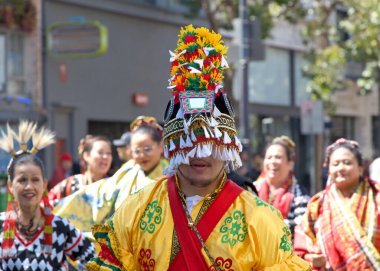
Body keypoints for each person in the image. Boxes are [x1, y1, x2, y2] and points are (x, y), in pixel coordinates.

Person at [87, 25, 310, 271]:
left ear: (226, 147)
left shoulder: (260, 219)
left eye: (211, 144)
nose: (201, 153)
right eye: (190, 143)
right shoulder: (135, 210)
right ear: (173, 146)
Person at [0, 121, 95, 270]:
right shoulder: (1, 226)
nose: (29, 186)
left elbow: (97, 261)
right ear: (11, 186)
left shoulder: (60, 228)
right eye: (22, 180)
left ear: (44, 185)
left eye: (35, 180)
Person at [53, 116, 168, 237]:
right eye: (137, 151)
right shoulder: (128, 172)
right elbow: (101, 193)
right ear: (86, 156)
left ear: (160, 147)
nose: (142, 155)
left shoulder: (171, 174)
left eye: (147, 149)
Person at [294, 138, 380, 270]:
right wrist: (312, 259)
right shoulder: (318, 203)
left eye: (347, 163)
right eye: (335, 164)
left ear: (360, 168)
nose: (341, 168)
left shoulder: (377, 198)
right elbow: (302, 245)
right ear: (328, 170)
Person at [254, 136, 310, 236]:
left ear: (290, 163)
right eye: (269, 157)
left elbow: (302, 225)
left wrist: (261, 226)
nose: (273, 162)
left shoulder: (299, 193)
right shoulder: (252, 189)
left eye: (278, 157)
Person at [49, 135, 112, 205]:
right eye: (100, 152)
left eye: (108, 153)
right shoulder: (71, 184)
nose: (105, 157)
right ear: (86, 155)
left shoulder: (114, 186)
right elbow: (48, 204)